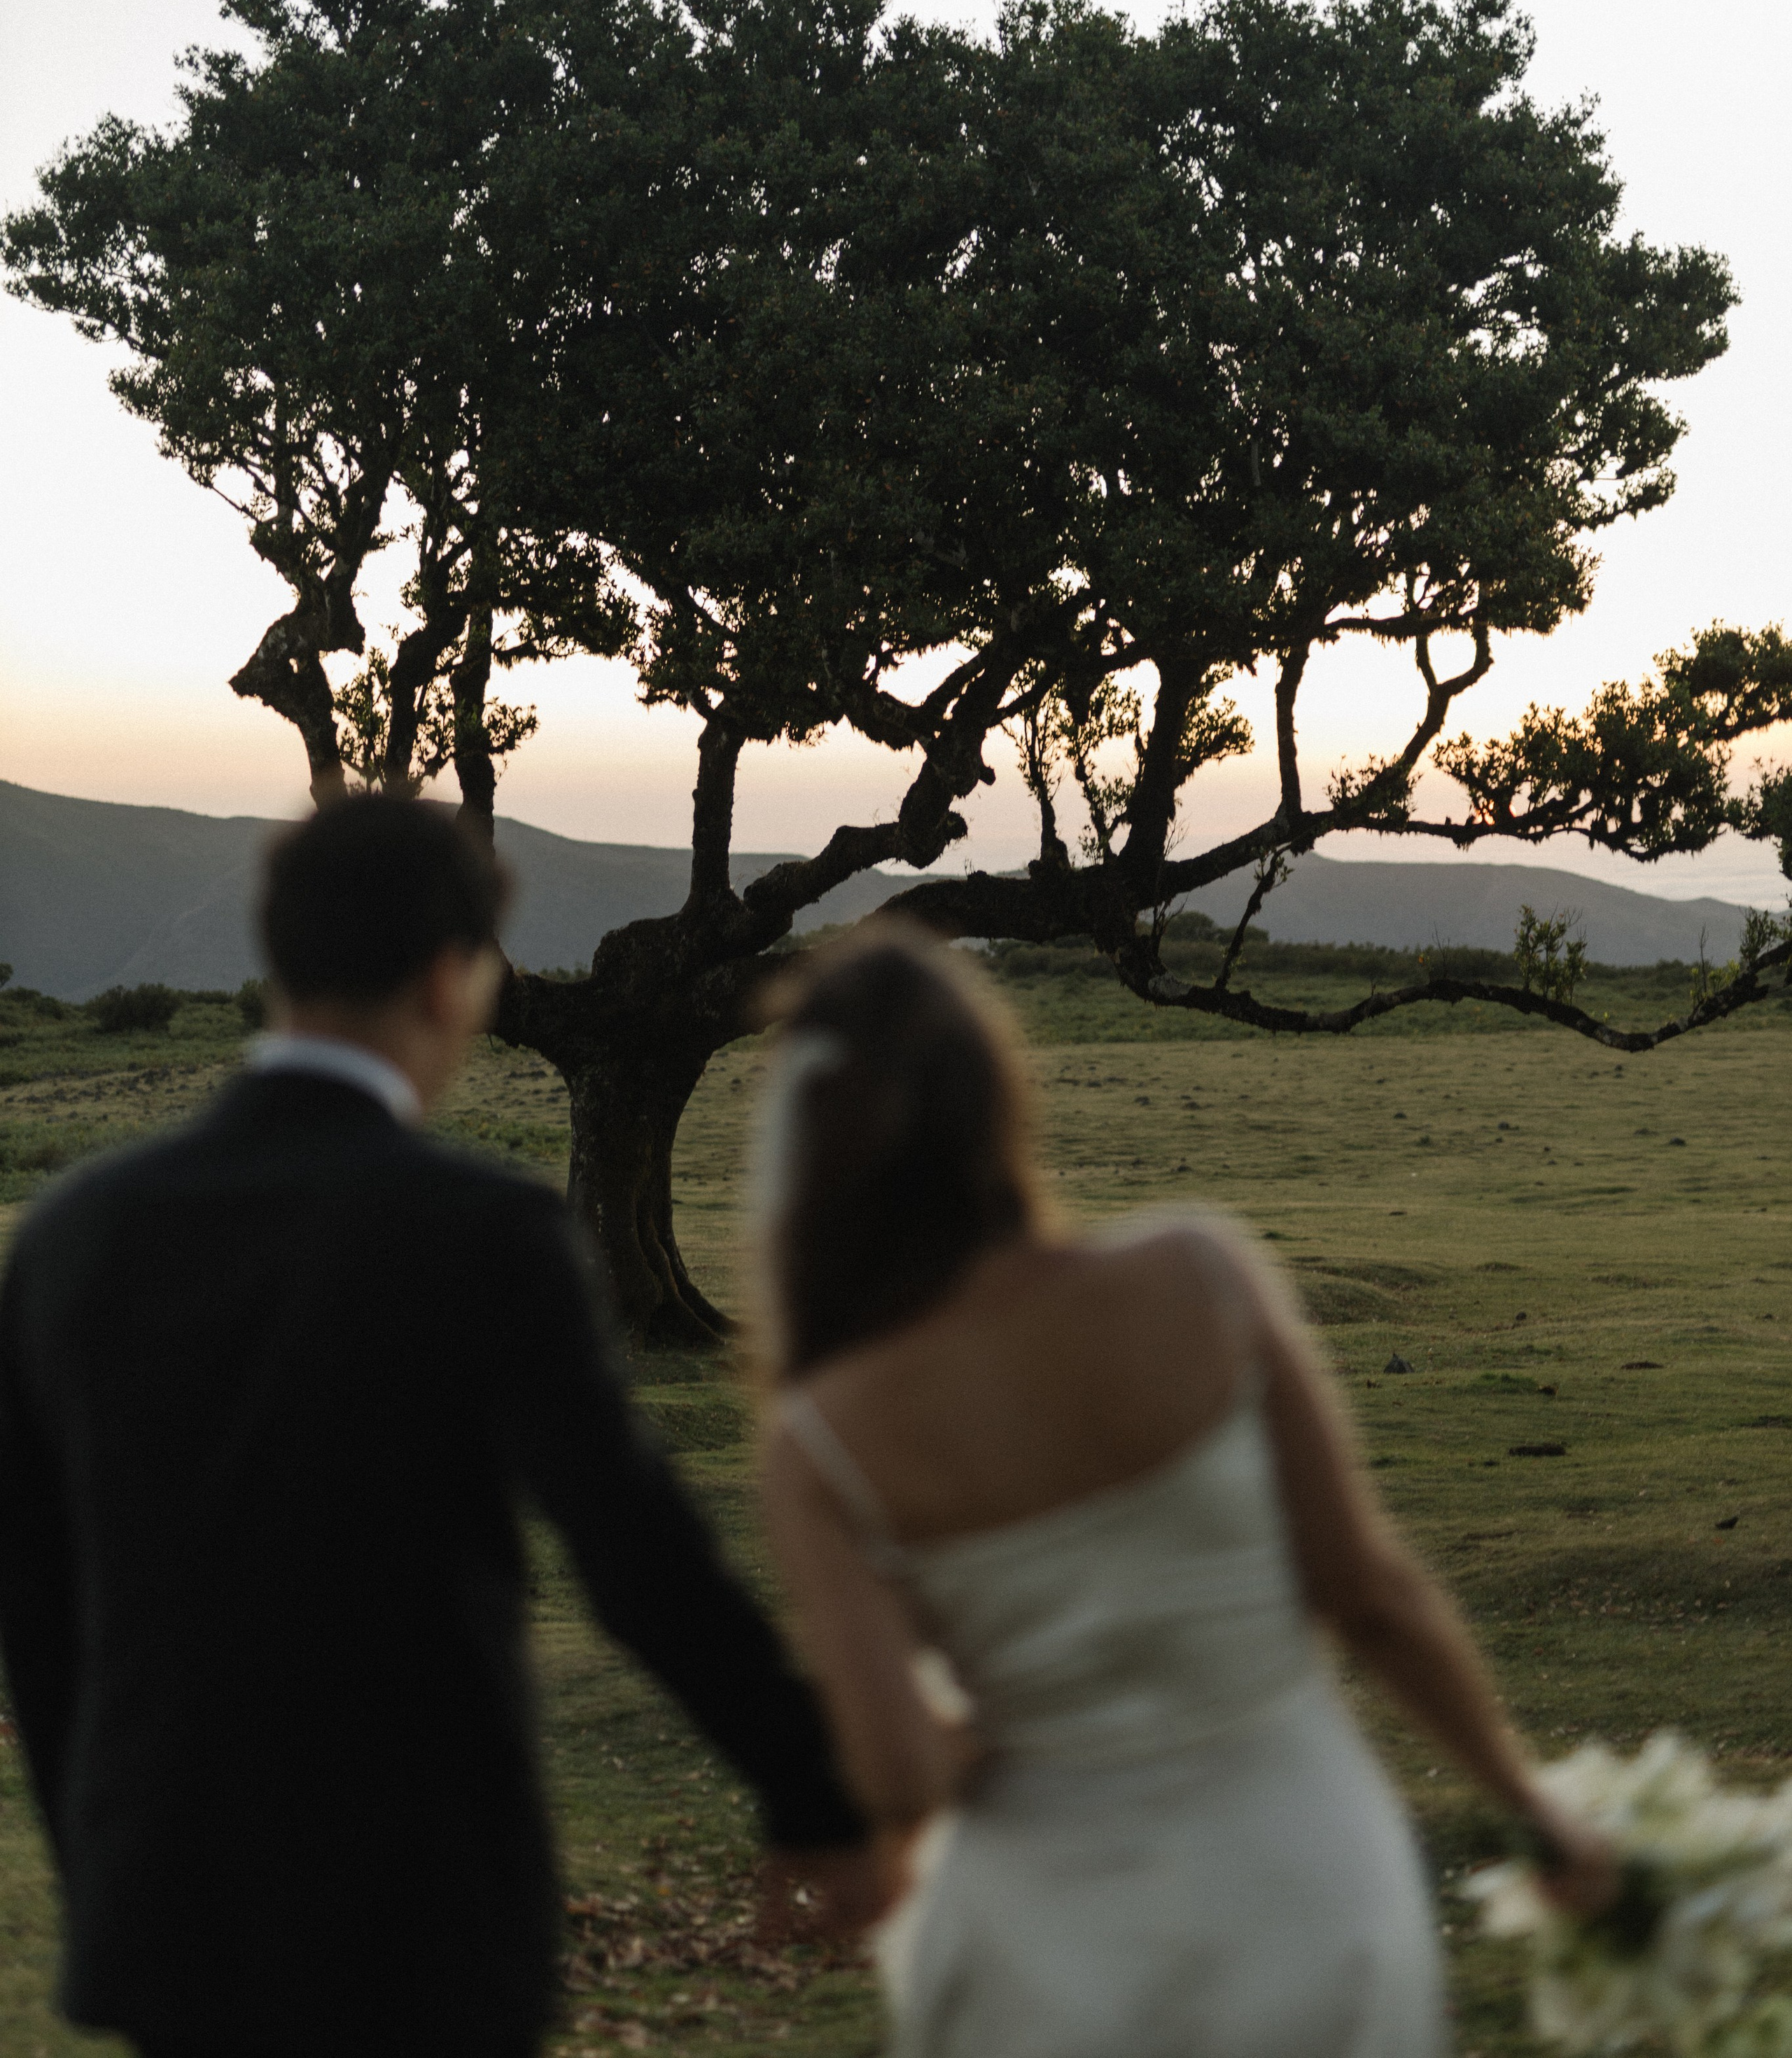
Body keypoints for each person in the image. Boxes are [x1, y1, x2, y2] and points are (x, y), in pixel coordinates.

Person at [0, 797, 876, 2058]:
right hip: (419, 1903)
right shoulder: (482, 1231)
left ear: (282, 960)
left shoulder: (74, 1236)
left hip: (169, 1909)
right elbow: (632, 1555)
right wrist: (811, 1789)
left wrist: (108, 1870)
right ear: (450, 979)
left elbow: (35, 1601)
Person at [755, 928, 1613, 2058]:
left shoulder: (821, 1437)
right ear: (994, 1098)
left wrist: (1020, 1724)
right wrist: (1530, 1802)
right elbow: (1370, 1593)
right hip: (1303, 1888)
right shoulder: (1199, 1275)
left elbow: (900, 1772)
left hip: (1047, 1958)